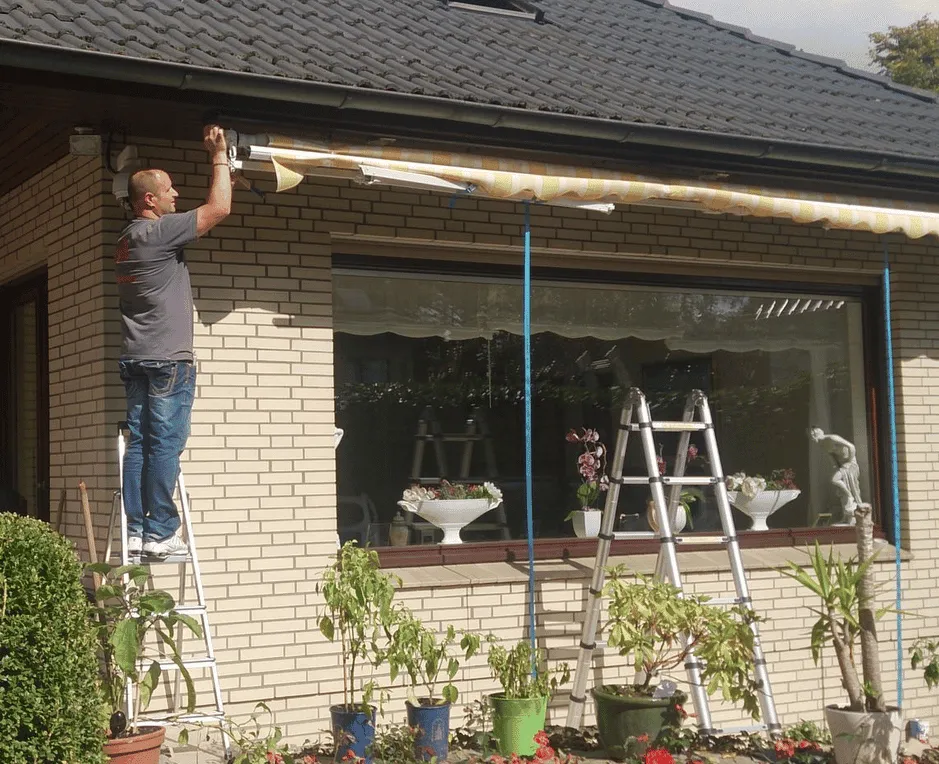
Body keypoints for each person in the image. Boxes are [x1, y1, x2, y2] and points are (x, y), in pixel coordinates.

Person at [115, 125, 232, 559]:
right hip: (167, 361)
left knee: (142, 442)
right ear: (150, 199)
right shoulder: (158, 233)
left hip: (137, 358)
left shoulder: (126, 241)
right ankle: (162, 532)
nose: (176, 194)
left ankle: (138, 529)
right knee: (165, 443)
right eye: (168, 190)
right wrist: (219, 156)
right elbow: (219, 207)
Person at [808, 427, 864, 525]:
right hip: (842, 465)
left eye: (813, 434)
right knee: (841, 491)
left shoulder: (832, 438)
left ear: (817, 433)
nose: (812, 437)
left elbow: (851, 447)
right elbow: (832, 457)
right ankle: (847, 517)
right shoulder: (822, 444)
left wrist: (849, 461)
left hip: (850, 464)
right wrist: (837, 467)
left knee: (835, 480)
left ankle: (850, 496)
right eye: (811, 435)